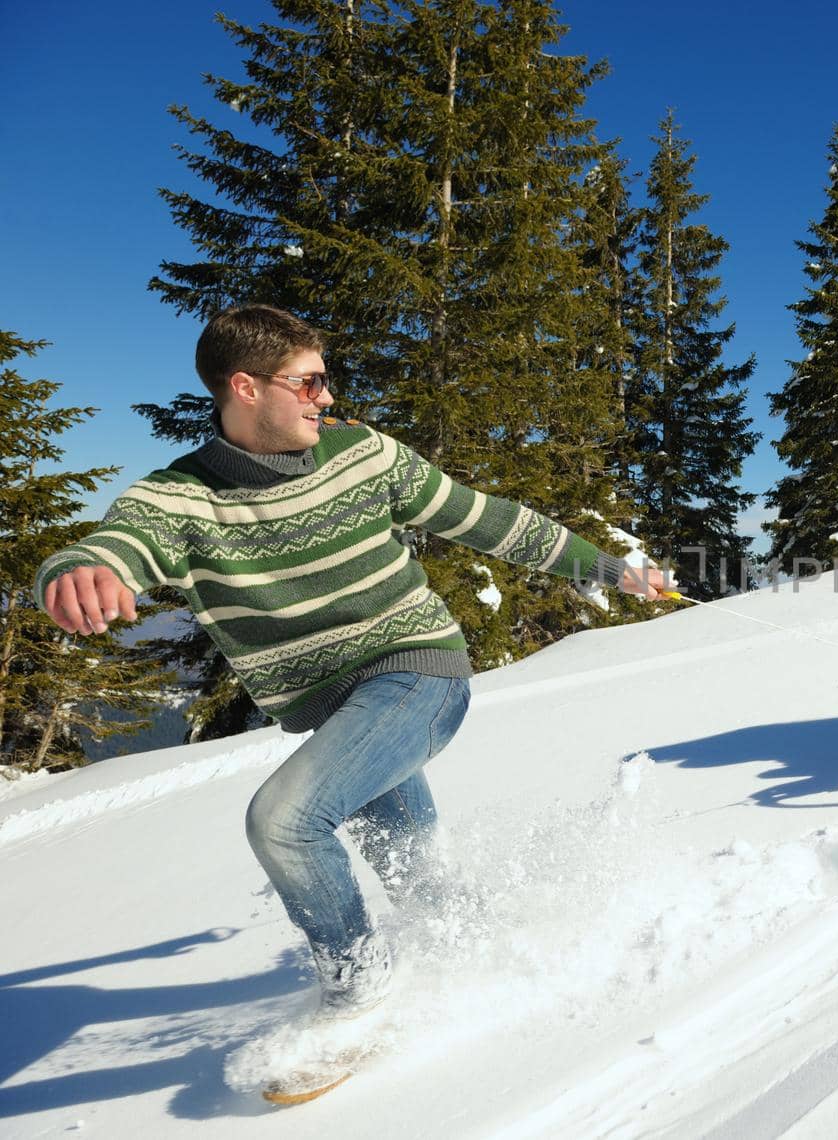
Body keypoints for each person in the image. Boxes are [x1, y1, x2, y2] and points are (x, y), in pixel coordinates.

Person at [34, 304, 669, 1022]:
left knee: (282, 822)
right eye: (308, 383)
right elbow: (115, 543)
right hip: (342, 713)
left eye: (324, 381)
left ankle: (359, 989)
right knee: (422, 883)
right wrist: (76, 571)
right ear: (245, 388)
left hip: (418, 673)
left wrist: (609, 568)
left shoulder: (363, 454)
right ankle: (489, 956)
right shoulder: (181, 499)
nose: (326, 398)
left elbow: (485, 518)